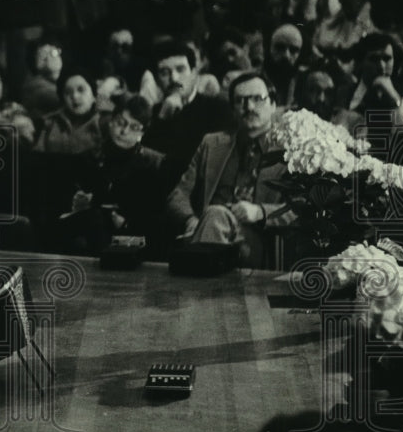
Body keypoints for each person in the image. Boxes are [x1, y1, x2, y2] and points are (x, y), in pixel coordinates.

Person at [167, 72, 294, 268]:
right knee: (214, 217)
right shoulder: (212, 144)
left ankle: (195, 289)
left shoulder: (291, 150)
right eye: (240, 101)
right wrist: (191, 220)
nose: (249, 107)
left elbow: (305, 209)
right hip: (210, 229)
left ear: (274, 105)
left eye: (257, 99)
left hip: (258, 241)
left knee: (215, 216)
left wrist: (260, 212)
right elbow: (178, 194)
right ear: (233, 109)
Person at [68, 94, 166, 257]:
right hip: (93, 228)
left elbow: (155, 214)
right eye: (121, 122)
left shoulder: (155, 163)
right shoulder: (88, 159)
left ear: (142, 132)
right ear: (111, 121)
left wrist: (125, 222)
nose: (124, 131)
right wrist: (77, 201)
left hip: (135, 234)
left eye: (134, 127)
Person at [141, 40, 235, 191]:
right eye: (164, 72)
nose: (174, 78)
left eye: (181, 69)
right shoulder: (153, 113)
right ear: (157, 80)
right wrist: (162, 119)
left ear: (194, 74)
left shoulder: (218, 109)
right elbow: (143, 162)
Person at [34, 68, 104, 155]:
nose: (74, 96)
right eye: (68, 92)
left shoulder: (104, 123)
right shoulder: (49, 123)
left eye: (81, 90)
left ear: (94, 96)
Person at [263, 24, 305, 106]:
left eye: (293, 50)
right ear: (269, 48)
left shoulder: (303, 85)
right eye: (280, 47)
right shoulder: (253, 79)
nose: (286, 55)